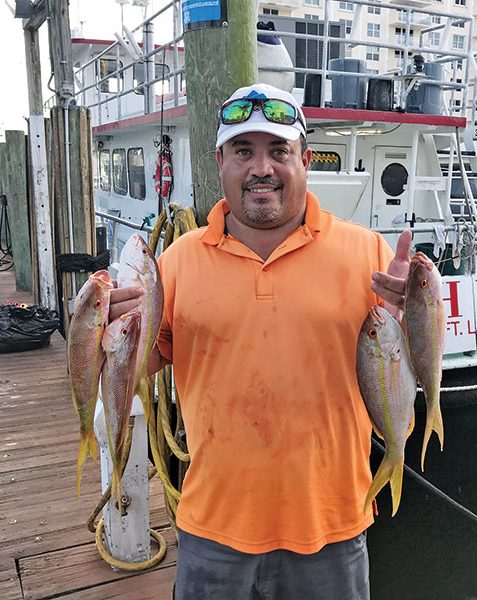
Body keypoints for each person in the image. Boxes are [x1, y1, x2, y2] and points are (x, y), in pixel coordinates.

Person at [109, 83, 431, 600]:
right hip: (212, 528)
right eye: (244, 151)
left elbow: (416, 363)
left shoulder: (368, 252)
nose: (262, 167)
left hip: (331, 529)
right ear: (220, 162)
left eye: (278, 150)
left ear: (305, 159)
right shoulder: (176, 261)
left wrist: (415, 312)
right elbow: (143, 363)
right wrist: (108, 330)